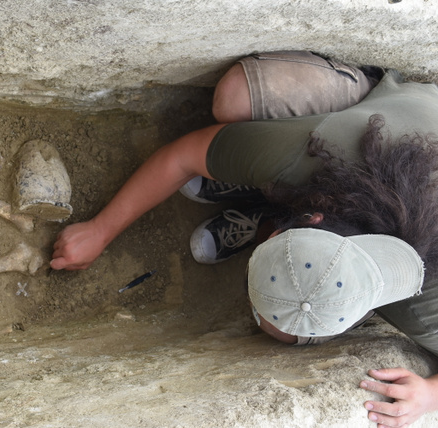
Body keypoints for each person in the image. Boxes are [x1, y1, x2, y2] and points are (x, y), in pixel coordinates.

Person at [50, 51, 438, 427]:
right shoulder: (325, 147)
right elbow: (183, 156)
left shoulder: (426, 309)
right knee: (234, 98)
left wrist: (428, 395)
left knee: (284, 320)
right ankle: (259, 179)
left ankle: (260, 198)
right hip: (389, 115)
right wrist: (101, 229)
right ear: (314, 215)